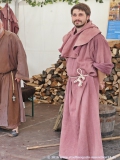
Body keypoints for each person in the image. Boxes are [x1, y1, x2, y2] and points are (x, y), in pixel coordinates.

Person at [58, 3, 113, 159]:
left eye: (80, 15)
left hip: (87, 83)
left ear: (87, 16)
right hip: (72, 83)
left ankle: (87, 154)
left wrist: (100, 82)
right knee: (71, 118)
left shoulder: (97, 37)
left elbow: (104, 63)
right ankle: (71, 151)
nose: (77, 18)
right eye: (74, 15)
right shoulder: (70, 36)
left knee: (86, 119)